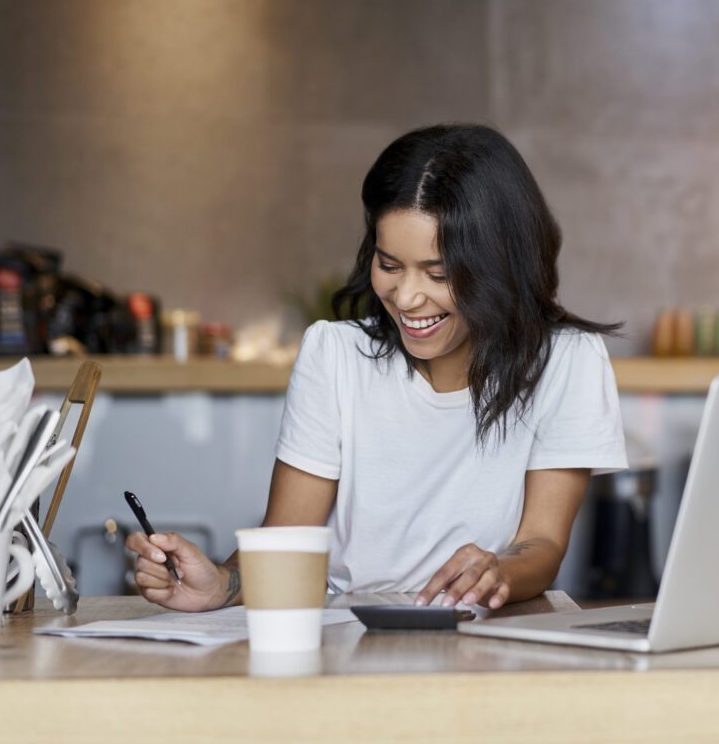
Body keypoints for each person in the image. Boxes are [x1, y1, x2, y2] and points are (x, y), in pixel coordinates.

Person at [126, 123, 628, 611]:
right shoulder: (335, 354)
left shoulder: (566, 361)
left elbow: (541, 542)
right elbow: (288, 539)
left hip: (489, 636)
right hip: (352, 634)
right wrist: (220, 584)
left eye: (439, 274)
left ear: (499, 265)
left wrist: (499, 572)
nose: (407, 298)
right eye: (389, 265)